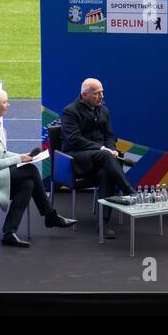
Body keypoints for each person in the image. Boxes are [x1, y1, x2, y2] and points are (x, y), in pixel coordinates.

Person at [0, 86, 75, 247]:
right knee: (30, 170)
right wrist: (19, 159)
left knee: (27, 183)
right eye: (5, 102)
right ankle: (50, 216)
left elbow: (1, 153)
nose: (8, 105)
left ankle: (9, 232)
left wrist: (24, 157)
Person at [60, 77, 135, 239]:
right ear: (85, 95)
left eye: (102, 92)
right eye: (97, 93)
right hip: (76, 158)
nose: (101, 96)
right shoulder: (70, 111)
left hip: (101, 157)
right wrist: (103, 148)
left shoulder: (104, 110)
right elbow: (74, 139)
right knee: (105, 155)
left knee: (106, 173)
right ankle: (129, 190)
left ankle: (103, 223)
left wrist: (112, 148)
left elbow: (109, 136)